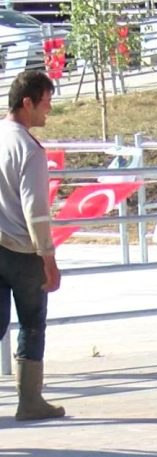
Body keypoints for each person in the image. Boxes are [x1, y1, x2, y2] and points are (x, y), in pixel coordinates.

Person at [1, 70, 64, 421]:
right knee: (31, 322)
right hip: (22, 251)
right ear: (27, 103)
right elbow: (36, 209)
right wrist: (48, 257)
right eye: (45, 102)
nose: (48, 110)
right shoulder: (28, 149)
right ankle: (29, 400)